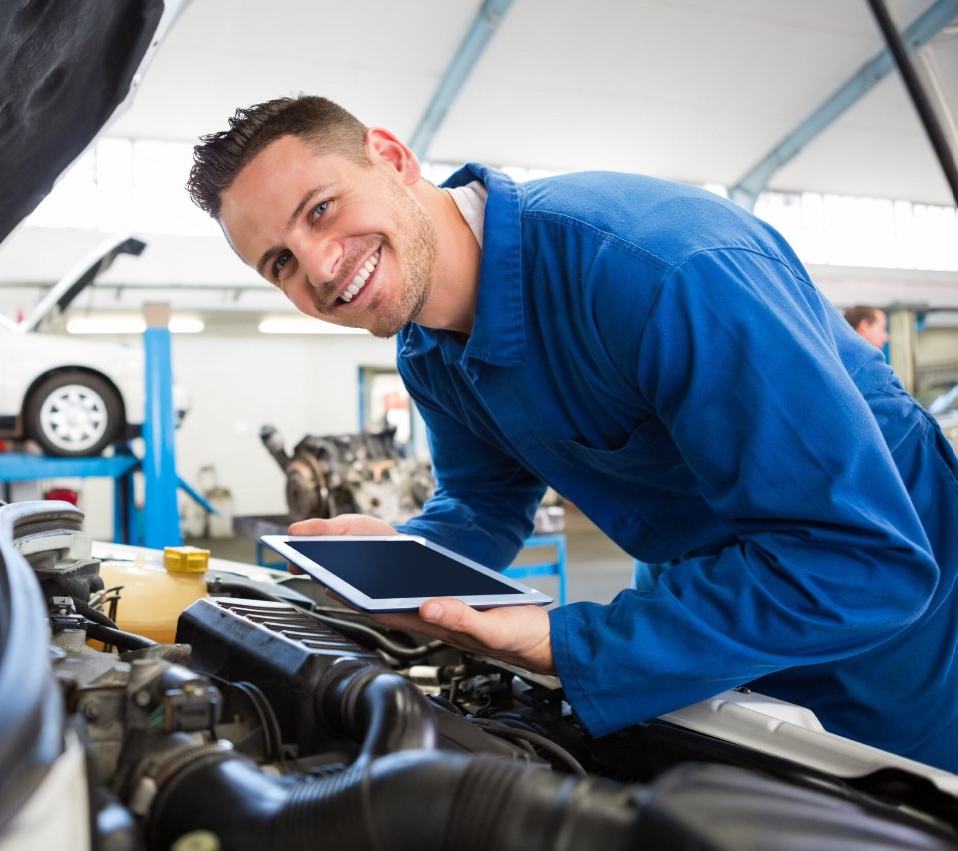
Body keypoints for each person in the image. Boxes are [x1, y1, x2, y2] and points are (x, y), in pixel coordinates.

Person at [186, 95, 958, 771]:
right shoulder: (426, 351)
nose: (319, 268)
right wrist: (399, 562)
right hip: (708, 596)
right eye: (280, 261)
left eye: (321, 209)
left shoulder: (658, 269)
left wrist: (569, 643)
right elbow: (484, 504)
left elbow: (865, 562)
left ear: (390, 155)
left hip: (891, 623)